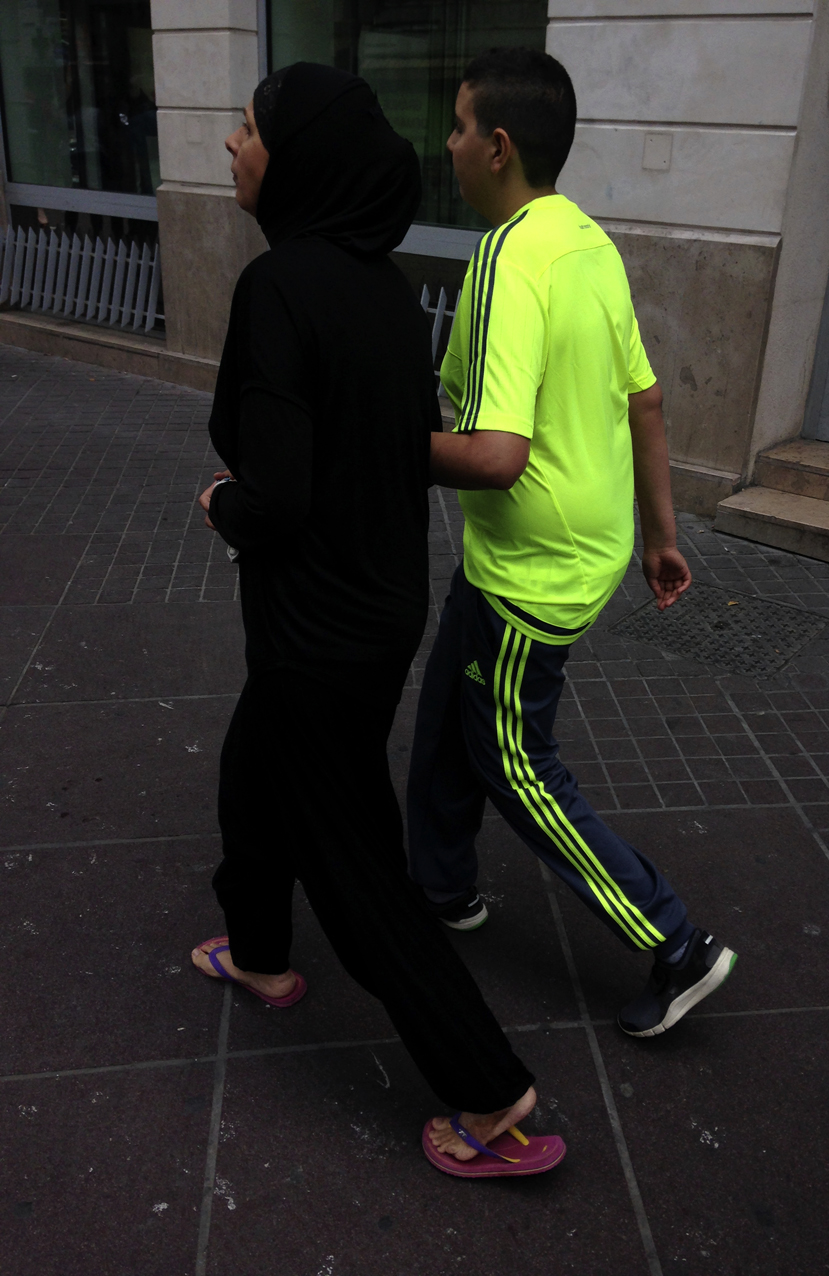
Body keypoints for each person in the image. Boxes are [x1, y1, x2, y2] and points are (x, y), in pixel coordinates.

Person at [190, 62, 564, 1178]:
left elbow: (278, 495)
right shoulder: (387, 290)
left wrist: (221, 505)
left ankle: (490, 1093)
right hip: (374, 609)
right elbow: (390, 451)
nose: (231, 146)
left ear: (297, 158)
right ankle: (260, 951)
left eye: (248, 129)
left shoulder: (279, 288)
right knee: (254, 772)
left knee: (353, 866)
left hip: (312, 626)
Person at [407, 47, 737, 1041]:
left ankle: (677, 941)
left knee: (515, 761)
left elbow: (495, 454)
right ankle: (441, 886)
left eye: (459, 126)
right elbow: (647, 399)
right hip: (566, 553)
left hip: (532, 575)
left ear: (498, 146)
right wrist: (661, 539)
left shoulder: (508, 259)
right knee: (447, 718)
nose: (448, 143)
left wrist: (370, 443)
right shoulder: (586, 241)